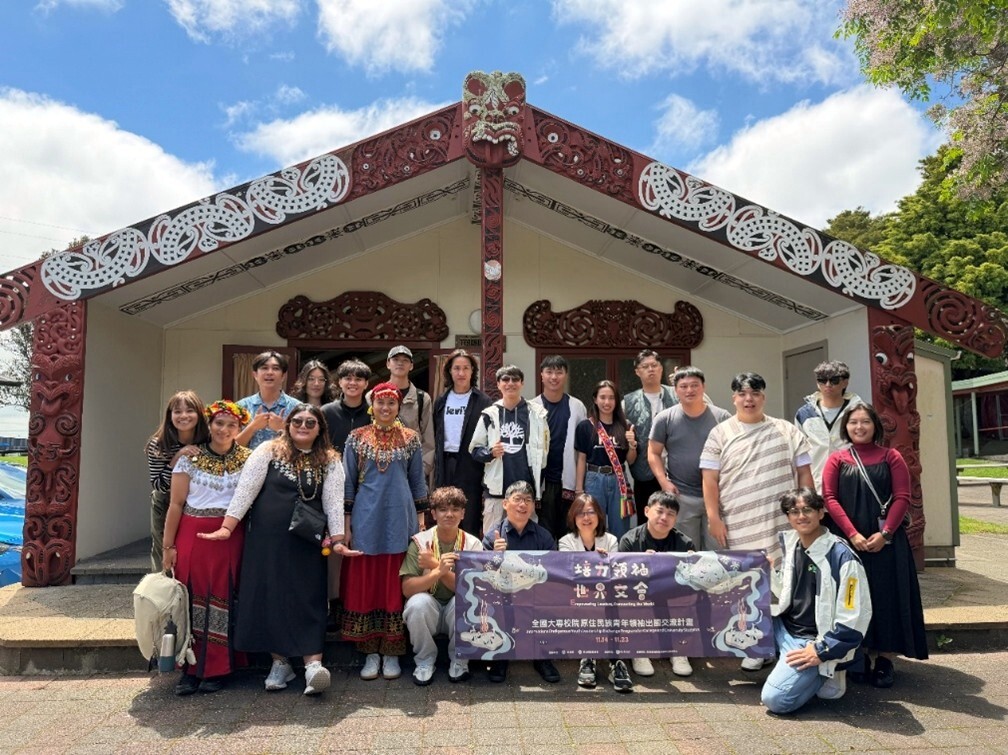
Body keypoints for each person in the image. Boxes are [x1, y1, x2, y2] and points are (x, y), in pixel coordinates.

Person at [200, 403, 346, 696]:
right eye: (297, 421)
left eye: (310, 422)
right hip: (266, 541)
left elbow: (333, 501)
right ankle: (280, 663)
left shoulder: (330, 460)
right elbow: (246, 490)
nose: (303, 426)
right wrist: (227, 527)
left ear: (320, 429)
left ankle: (313, 666)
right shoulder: (267, 450)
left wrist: (339, 539)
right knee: (271, 596)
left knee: (308, 597)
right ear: (288, 424)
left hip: (307, 542)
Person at [700, 372, 813, 671]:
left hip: (782, 523)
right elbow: (709, 480)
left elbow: (804, 474)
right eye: (743, 394)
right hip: (739, 522)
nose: (748, 399)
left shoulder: (787, 430)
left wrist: (808, 511)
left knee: (784, 582)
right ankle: (753, 645)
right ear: (734, 398)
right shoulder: (720, 433)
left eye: (755, 393)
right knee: (746, 584)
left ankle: (782, 643)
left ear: (764, 397)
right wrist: (714, 517)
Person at [821, 403, 927, 688]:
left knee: (886, 596)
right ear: (846, 427)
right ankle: (856, 655)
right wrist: (852, 534)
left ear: (875, 426)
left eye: (865, 421)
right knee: (850, 597)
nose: (859, 427)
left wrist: (886, 534)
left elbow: (903, 497)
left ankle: (884, 659)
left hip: (886, 543)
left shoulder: (891, 456)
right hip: (848, 541)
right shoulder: (837, 459)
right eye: (853, 422)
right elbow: (830, 498)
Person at [161, 399, 252, 696]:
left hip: (231, 535)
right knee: (192, 598)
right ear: (209, 424)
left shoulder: (249, 459)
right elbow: (176, 504)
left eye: (231, 425)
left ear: (239, 427)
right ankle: (189, 668)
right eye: (219, 423)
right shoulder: (190, 459)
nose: (224, 430)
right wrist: (167, 546)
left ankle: (218, 667)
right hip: (193, 534)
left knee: (224, 595)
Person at [340, 381, 429, 681]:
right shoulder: (356, 438)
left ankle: (392, 651)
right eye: (381, 402)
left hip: (400, 517)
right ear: (372, 405)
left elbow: (417, 481)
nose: (386, 408)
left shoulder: (411, 438)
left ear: (398, 406)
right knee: (367, 580)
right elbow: (348, 483)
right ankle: (370, 651)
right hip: (366, 517)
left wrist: (421, 522)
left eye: (391, 403)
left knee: (395, 578)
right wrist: (346, 524)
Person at [761, 488, 872, 714]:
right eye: (794, 511)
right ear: (788, 517)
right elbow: (786, 593)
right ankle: (793, 668)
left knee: (775, 700)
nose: (801, 516)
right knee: (740, 619)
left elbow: (854, 616)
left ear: (821, 512)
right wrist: (770, 572)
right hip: (786, 628)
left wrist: (822, 651)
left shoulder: (842, 557)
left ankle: (829, 668)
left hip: (813, 640)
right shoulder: (793, 544)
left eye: (808, 510)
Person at [400, 486, 484, 685]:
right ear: (433, 514)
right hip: (430, 610)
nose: (449, 514)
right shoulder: (420, 542)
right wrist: (438, 571)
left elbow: (472, 592)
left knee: (467, 603)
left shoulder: (473, 544)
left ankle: (460, 660)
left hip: (454, 611)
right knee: (416, 604)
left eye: (455, 509)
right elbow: (407, 589)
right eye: (443, 510)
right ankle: (424, 660)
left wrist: (434, 566)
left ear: (463, 513)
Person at [482, 481, 560, 684]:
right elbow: (484, 574)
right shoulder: (493, 536)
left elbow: (554, 571)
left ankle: (542, 656)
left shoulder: (543, 536)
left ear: (533, 506)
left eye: (528, 500)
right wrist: (495, 555)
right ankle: (501, 656)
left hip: (534, 593)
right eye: (517, 499)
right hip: (503, 593)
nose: (522, 505)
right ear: (505, 503)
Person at [648, 366, 730, 549]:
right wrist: (663, 482)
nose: (689, 390)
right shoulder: (665, 418)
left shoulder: (722, 417)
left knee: (718, 552)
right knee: (686, 552)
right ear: (675, 390)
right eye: (683, 386)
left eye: (694, 385)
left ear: (704, 387)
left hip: (717, 495)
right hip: (681, 495)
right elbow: (653, 452)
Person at [618, 491, 695, 680]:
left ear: (676, 518)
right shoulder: (629, 541)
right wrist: (641, 566)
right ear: (646, 511)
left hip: (672, 595)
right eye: (659, 511)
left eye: (670, 514)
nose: (664, 518)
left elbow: (692, 580)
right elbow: (621, 579)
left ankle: (679, 650)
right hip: (639, 594)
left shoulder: (685, 544)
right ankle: (639, 650)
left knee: (688, 598)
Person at [469, 364, 549, 536]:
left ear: (522, 383)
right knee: (493, 541)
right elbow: (474, 450)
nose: (510, 383)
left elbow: (544, 453)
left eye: (515, 379)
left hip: (526, 493)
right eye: (505, 379)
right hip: (496, 491)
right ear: (498, 384)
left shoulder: (537, 414)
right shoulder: (489, 414)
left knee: (526, 541)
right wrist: (490, 453)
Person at [558, 493, 622, 690]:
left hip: (605, 596)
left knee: (614, 605)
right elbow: (569, 573)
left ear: (599, 516)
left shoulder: (611, 540)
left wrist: (605, 562)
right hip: (578, 596)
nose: (586, 518)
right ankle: (588, 656)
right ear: (573, 517)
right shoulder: (565, 541)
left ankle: (616, 663)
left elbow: (615, 574)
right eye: (581, 513)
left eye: (591, 512)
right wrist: (596, 561)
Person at [145, 390, 210, 571]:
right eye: (177, 411)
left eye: (190, 410)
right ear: (170, 415)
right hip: (165, 503)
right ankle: (162, 588)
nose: (184, 416)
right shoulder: (158, 444)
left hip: (198, 502)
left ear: (199, 413)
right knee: (164, 556)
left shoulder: (208, 441)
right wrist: (178, 456)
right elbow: (159, 485)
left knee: (192, 553)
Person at [432, 350, 492, 537]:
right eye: (456, 368)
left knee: (469, 515)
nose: (461, 373)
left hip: (470, 464)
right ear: (449, 371)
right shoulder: (442, 400)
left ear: (473, 371)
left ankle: (468, 552)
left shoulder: (482, 401)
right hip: (445, 462)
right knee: (444, 510)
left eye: (466, 368)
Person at [530, 355, 587, 540]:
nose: (554, 377)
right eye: (549, 372)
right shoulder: (531, 407)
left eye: (559, 372)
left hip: (568, 480)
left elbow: (583, 449)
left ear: (566, 375)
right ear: (541, 375)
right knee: (543, 532)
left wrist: (579, 486)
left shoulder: (577, 407)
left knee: (569, 532)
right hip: (542, 481)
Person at [574, 380, 637, 539]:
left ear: (616, 400)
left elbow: (630, 460)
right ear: (595, 399)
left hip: (619, 480)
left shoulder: (625, 425)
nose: (607, 402)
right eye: (602, 397)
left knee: (621, 527)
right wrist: (579, 490)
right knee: (594, 525)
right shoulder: (585, 426)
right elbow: (581, 459)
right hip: (594, 478)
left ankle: (620, 554)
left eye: (611, 398)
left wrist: (632, 445)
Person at [622, 349, 678, 523]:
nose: (651, 369)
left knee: (676, 520)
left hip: (676, 471)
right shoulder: (628, 402)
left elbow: (702, 406)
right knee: (647, 521)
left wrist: (682, 382)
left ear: (661, 368)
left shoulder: (677, 394)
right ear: (637, 371)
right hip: (643, 472)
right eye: (645, 366)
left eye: (654, 365)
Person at [794, 360, 863, 490]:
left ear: (845, 382)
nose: (828, 385)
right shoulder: (804, 414)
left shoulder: (859, 411)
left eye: (834, 380)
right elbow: (799, 453)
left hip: (852, 482)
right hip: (816, 484)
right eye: (822, 380)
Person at [372, 345, 435, 478]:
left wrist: (421, 471)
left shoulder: (422, 398)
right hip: (378, 469)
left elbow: (428, 438)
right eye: (395, 359)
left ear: (411, 366)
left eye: (405, 360)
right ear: (388, 364)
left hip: (412, 468)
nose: (400, 363)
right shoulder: (373, 396)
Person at [236, 351, 299, 449]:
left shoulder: (297, 408)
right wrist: (252, 427)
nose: (270, 372)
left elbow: (304, 447)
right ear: (255, 375)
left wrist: (282, 429)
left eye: (276, 368)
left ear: (283, 376)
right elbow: (230, 447)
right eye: (264, 368)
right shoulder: (241, 407)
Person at [321, 358, 372, 453]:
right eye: (348, 379)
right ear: (340, 382)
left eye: (358, 379)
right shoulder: (326, 411)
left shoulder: (373, 413)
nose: (352, 383)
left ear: (366, 384)